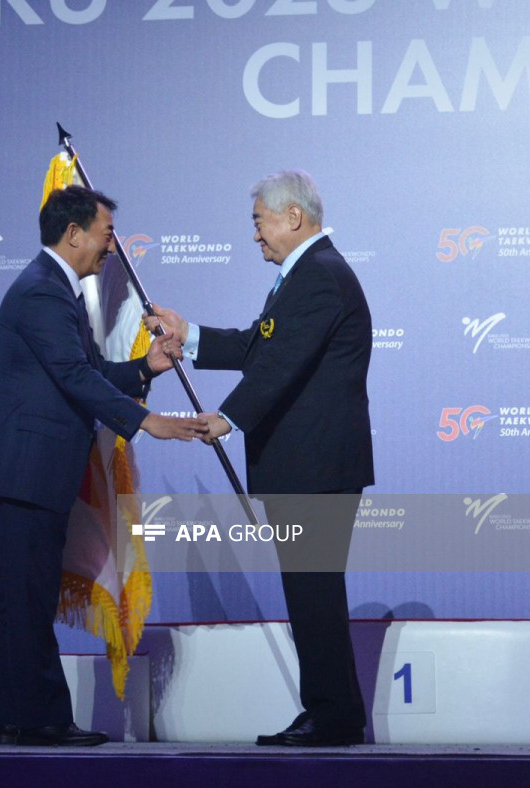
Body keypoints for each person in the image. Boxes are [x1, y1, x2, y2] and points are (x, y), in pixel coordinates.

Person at [148, 170, 373, 747]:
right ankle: (331, 711)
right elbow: (259, 344)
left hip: (315, 467)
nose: (256, 236)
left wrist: (228, 416)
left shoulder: (319, 277)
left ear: (292, 217)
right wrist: (188, 334)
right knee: (309, 590)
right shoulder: (303, 279)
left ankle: (333, 716)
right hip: (302, 467)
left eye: (259, 222)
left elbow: (282, 362)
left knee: (314, 589)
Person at [0, 185, 203, 747]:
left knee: (23, 596)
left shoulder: (56, 289)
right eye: (106, 233)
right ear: (73, 233)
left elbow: (90, 369)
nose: (111, 246)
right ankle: (39, 719)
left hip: (34, 471)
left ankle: (20, 718)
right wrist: (149, 422)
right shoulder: (42, 292)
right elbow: (75, 379)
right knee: (21, 597)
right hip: (27, 470)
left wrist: (147, 367)